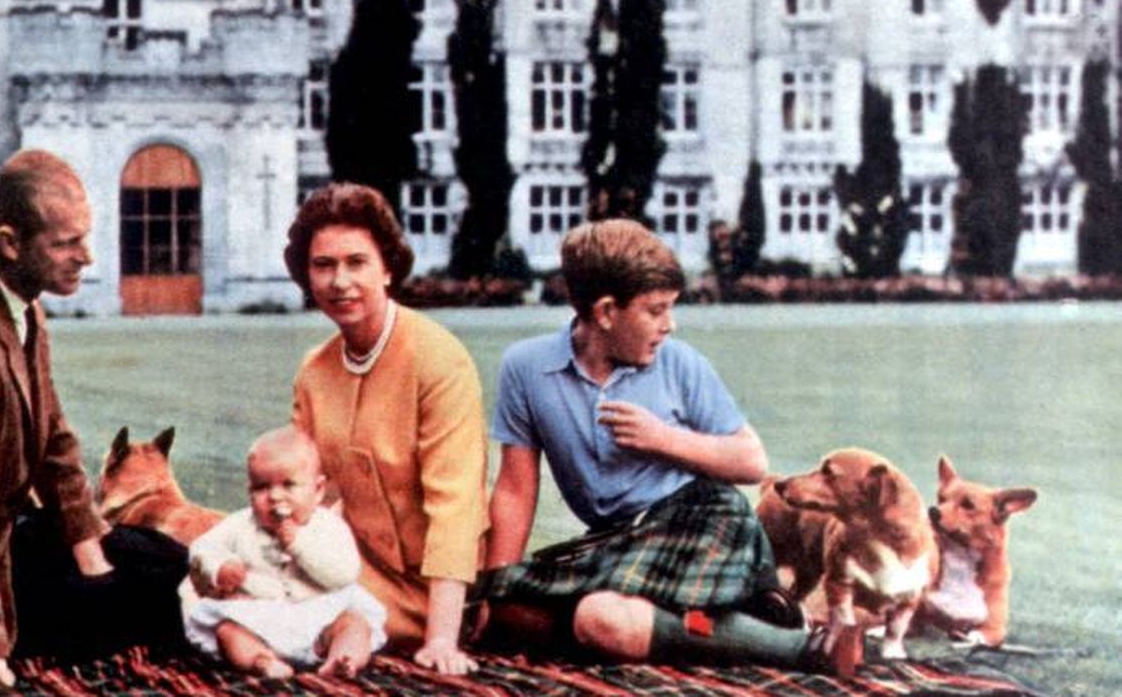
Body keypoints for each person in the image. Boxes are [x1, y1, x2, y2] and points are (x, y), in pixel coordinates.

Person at [477, 219, 858, 675]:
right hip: (617, 539)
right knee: (516, 615)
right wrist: (495, 590)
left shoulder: (679, 364)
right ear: (605, 313)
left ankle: (804, 647)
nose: (669, 326)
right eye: (655, 310)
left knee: (603, 619)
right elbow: (516, 489)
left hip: (704, 519)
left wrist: (663, 440)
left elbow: (752, 462)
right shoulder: (527, 368)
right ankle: (733, 620)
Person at [0, 148, 188, 697]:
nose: (86, 256)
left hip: (9, 528)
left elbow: (55, 442)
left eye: (83, 237)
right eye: (66, 244)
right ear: (10, 242)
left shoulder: (19, 296)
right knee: (158, 599)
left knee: (170, 562)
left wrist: (90, 549)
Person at [285, 182, 489, 676]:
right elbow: (302, 495)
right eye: (324, 265)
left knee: (270, 618)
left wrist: (442, 637)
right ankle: (340, 624)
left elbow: (456, 506)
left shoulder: (438, 358)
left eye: (357, 262)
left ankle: (346, 627)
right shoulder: (315, 371)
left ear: (388, 267)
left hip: (441, 588)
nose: (340, 281)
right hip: (353, 568)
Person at [185, 426, 388, 678]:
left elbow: (344, 574)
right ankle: (263, 662)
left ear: (318, 491)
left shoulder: (329, 527)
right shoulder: (240, 524)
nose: (274, 496)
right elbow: (202, 548)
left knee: (355, 624)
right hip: (259, 619)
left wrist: (299, 546)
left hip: (320, 615)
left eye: (289, 485)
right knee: (227, 631)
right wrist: (219, 568)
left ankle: (341, 660)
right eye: (261, 487)